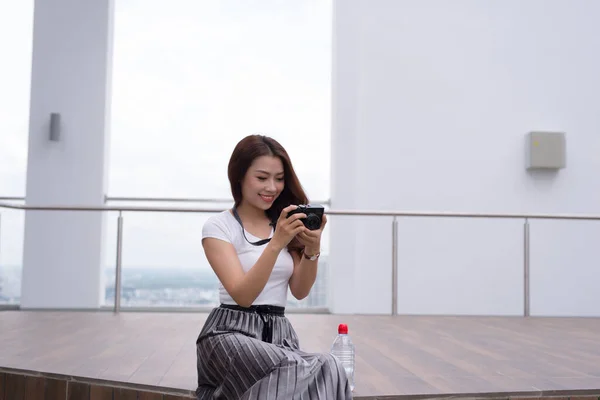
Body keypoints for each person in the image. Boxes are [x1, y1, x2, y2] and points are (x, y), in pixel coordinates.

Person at [195, 135, 352, 400]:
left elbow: (300, 291)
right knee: (292, 368)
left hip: (279, 334)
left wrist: (312, 250)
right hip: (231, 333)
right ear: (239, 177)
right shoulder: (218, 227)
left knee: (332, 365)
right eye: (262, 177)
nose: (272, 187)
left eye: (279, 178)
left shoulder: (284, 224)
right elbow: (243, 296)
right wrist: (276, 243)